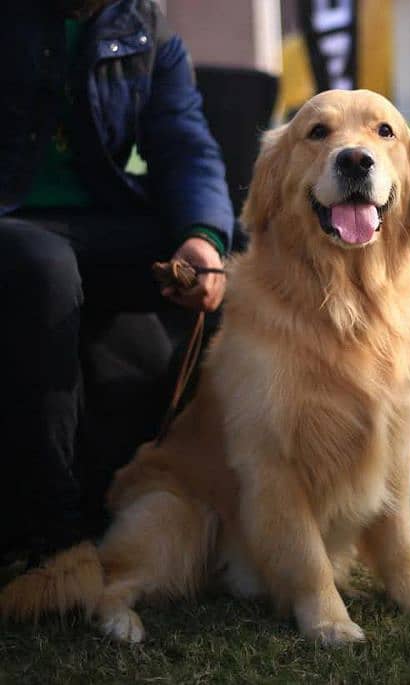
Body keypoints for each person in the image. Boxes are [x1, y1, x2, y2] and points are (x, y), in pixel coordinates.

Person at [0, 0, 234, 562]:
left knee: (235, 260)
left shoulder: (145, 24)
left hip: (99, 219)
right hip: (13, 224)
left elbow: (184, 144)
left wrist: (203, 238)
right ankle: (51, 534)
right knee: (42, 267)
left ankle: (200, 502)